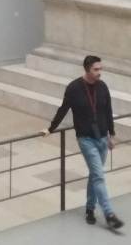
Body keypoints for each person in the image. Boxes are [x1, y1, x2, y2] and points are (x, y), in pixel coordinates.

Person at [41, 54, 124, 230]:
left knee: (95, 175)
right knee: (99, 175)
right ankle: (109, 214)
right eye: (96, 69)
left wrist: (111, 134)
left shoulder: (103, 87)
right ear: (87, 69)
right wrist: (50, 128)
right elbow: (63, 109)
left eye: (101, 69)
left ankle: (89, 209)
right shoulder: (74, 88)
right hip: (86, 139)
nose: (99, 72)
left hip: (102, 138)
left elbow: (108, 111)